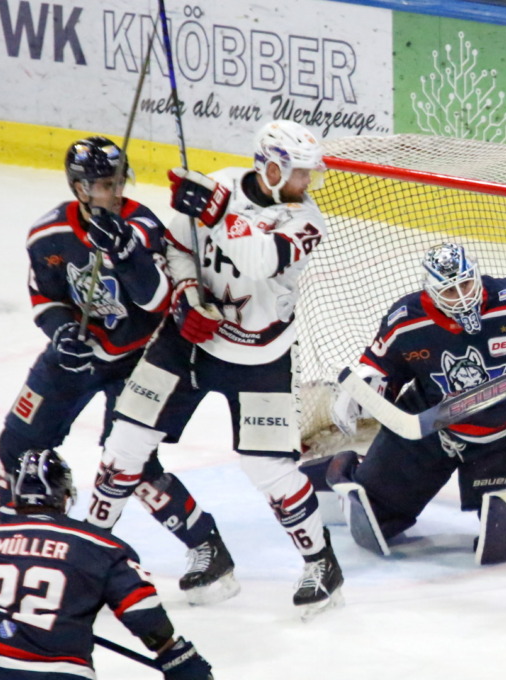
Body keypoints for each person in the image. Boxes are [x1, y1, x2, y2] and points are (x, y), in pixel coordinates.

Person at [84, 120, 344, 619]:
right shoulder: (219, 185)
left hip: (258, 358)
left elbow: (258, 261)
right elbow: (179, 249)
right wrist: (184, 296)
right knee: (122, 449)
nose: (309, 184)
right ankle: (91, 558)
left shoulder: (306, 220)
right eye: (301, 173)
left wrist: (219, 211)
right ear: (272, 167)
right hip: (187, 343)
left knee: (267, 469)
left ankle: (322, 564)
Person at [0, 136, 229, 604]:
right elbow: (46, 298)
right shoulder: (48, 235)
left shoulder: (141, 226)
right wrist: (62, 332)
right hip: (75, 357)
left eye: (118, 180)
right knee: (17, 445)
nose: (115, 191)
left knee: (130, 463)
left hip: (142, 358)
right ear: (80, 190)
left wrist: (127, 253)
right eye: (104, 184)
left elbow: (159, 301)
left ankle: (207, 545)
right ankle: (19, 543)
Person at [323, 243, 506, 565]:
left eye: (465, 284)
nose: (461, 296)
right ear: (430, 290)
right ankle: (345, 468)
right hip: (426, 427)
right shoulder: (405, 320)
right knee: (371, 518)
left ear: (476, 273)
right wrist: (363, 391)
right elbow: (380, 367)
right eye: (449, 291)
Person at [0, 449, 213, 680]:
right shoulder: (100, 546)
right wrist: (173, 653)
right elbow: (141, 610)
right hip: (57, 672)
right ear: (64, 495)